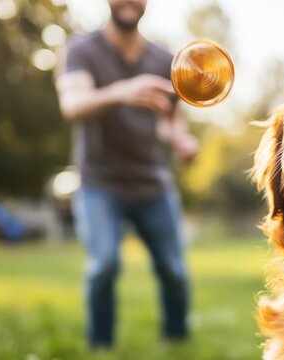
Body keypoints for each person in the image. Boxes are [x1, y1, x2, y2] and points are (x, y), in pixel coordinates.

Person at [55, 0, 198, 348]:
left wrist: (181, 141)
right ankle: (101, 347)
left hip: (152, 183)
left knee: (174, 271)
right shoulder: (82, 50)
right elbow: (73, 105)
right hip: (99, 184)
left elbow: (168, 122)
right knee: (103, 266)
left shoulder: (164, 60)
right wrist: (123, 90)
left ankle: (177, 341)